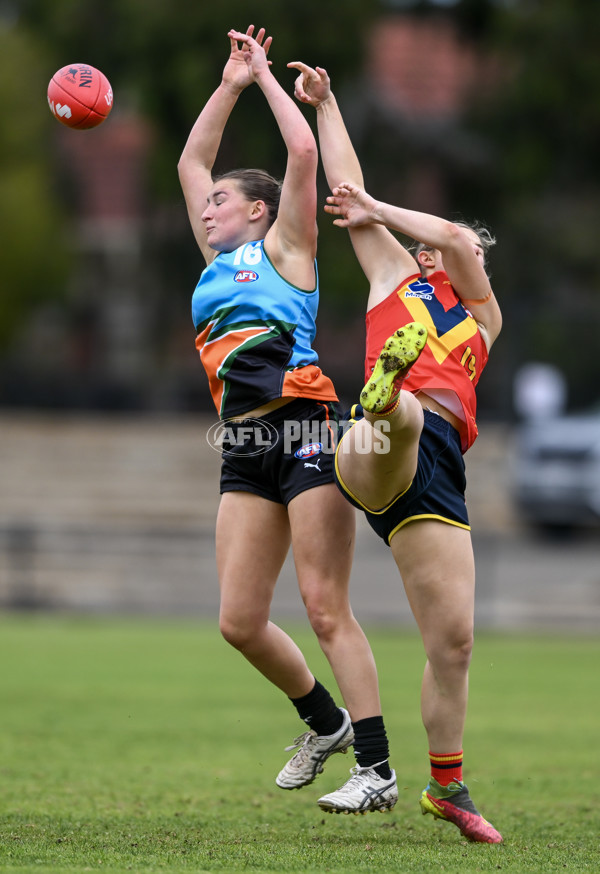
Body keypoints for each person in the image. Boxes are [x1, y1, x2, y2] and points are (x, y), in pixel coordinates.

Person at [177, 26, 397, 814]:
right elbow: (189, 163)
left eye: (221, 201)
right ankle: (325, 722)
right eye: (206, 204)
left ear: (259, 210)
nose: (205, 208)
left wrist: (269, 78)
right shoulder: (216, 267)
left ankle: (376, 768)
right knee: (239, 621)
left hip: (305, 427)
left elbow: (304, 156)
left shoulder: (289, 246)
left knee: (324, 603)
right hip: (244, 441)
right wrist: (230, 82)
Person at [289, 60, 504, 842]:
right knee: (401, 413)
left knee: (454, 640)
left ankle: (447, 785)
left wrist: (380, 207)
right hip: (378, 444)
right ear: (416, 256)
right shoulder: (393, 280)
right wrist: (329, 103)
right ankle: (379, 394)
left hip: (441, 475)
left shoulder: (483, 323)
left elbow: (450, 233)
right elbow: (347, 184)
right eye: (453, 250)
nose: (464, 251)